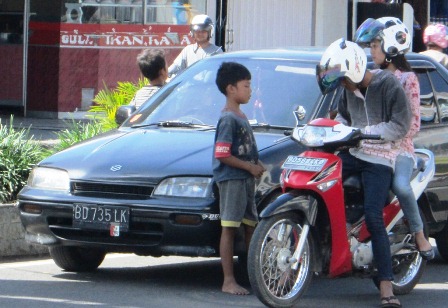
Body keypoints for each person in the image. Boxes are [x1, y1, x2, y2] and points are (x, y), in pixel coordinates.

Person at [317, 38, 411, 308]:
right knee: (323, 182)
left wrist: (368, 133)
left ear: (356, 69)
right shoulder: (348, 89)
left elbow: (400, 125)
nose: (343, 86)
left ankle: (386, 286)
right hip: (354, 152)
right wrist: (336, 126)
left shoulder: (388, 85)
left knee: (373, 215)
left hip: (381, 157)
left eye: (344, 80)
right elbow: (346, 118)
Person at [354, 17, 434, 260]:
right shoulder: (372, 77)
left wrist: (385, 136)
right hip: (371, 149)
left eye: (375, 45)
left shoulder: (408, 79)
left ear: (390, 47)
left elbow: (413, 124)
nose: (372, 51)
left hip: (400, 150)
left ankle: (419, 234)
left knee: (400, 185)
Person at [213, 62, 265, 295]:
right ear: (231, 88)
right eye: (246, 85)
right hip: (233, 179)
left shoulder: (241, 115)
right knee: (230, 228)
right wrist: (248, 167)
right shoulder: (228, 119)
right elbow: (222, 154)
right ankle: (228, 280)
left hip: (245, 179)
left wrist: (256, 165)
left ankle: (254, 277)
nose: (250, 90)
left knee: (250, 227)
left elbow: (243, 148)